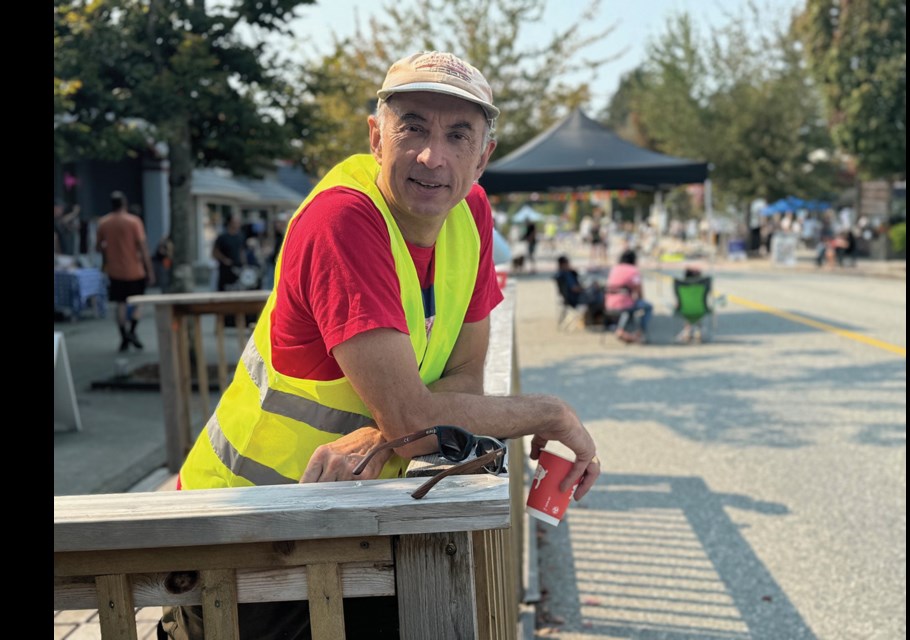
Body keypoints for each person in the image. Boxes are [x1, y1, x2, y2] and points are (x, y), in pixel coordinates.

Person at [159, 50, 600, 639]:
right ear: (376, 136)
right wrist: (550, 412)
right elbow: (413, 417)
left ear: (484, 155)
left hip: (336, 522)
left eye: (458, 134)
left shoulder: (470, 211)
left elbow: (464, 378)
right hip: (237, 540)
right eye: (412, 125)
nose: (431, 155)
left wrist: (385, 431)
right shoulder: (344, 219)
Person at [96, 191, 155, 352]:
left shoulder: (104, 223)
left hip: (115, 271)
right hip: (135, 269)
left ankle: (123, 336)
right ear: (125, 204)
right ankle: (132, 331)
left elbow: (98, 246)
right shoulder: (134, 222)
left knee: (120, 304)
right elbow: (143, 248)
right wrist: (150, 270)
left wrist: (107, 258)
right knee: (138, 302)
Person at [604, 249, 653, 344]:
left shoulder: (614, 269)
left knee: (629, 306)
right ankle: (640, 332)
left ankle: (624, 331)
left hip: (609, 303)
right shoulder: (634, 270)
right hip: (625, 304)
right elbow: (639, 292)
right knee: (648, 307)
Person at [212, 213, 246, 291]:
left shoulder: (240, 236)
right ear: (230, 223)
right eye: (236, 222)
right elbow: (214, 252)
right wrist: (224, 260)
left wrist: (244, 264)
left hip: (238, 269)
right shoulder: (222, 237)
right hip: (225, 270)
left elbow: (241, 251)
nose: (238, 224)